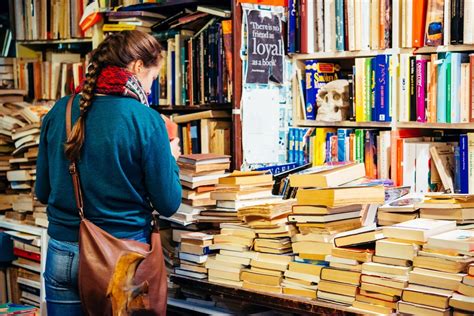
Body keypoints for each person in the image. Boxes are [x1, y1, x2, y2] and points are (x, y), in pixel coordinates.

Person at [35, 30, 182, 315]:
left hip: (63, 252)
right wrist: (171, 158)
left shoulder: (59, 112)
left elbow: (43, 191)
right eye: (152, 78)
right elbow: (168, 203)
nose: (150, 90)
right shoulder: (146, 120)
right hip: (121, 258)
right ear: (138, 66)